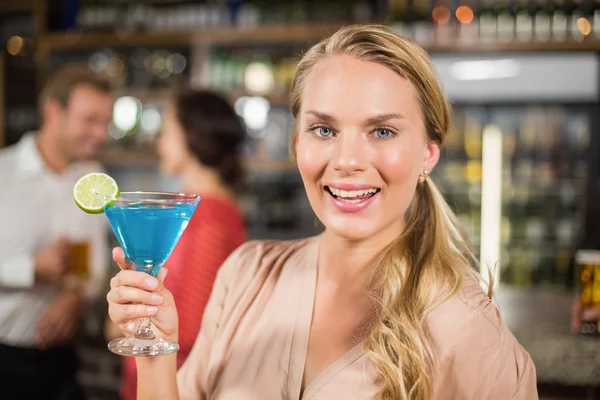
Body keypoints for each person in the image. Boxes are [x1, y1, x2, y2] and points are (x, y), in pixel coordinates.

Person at [106, 25, 538, 400]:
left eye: (382, 131)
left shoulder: (468, 330)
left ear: (427, 154)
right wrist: (156, 349)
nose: (347, 160)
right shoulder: (246, 275)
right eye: (324, 129)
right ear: (298, 146)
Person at [106, 89, 248, 400]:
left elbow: (193, 327)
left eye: (166, 132)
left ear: (192, 136)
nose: (159, 144)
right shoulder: (190, 210)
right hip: (151, 377)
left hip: (174, 385)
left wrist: (129, 322)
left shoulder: (209, 217)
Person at [0, 65, 113, 399]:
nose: (101, 134)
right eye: (90, 120)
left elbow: (93, 264)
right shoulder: (3, 174)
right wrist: (33, 269)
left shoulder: (94, 177)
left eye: (105, 122)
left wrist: (76, 296)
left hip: (64, 359)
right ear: (54, 111)